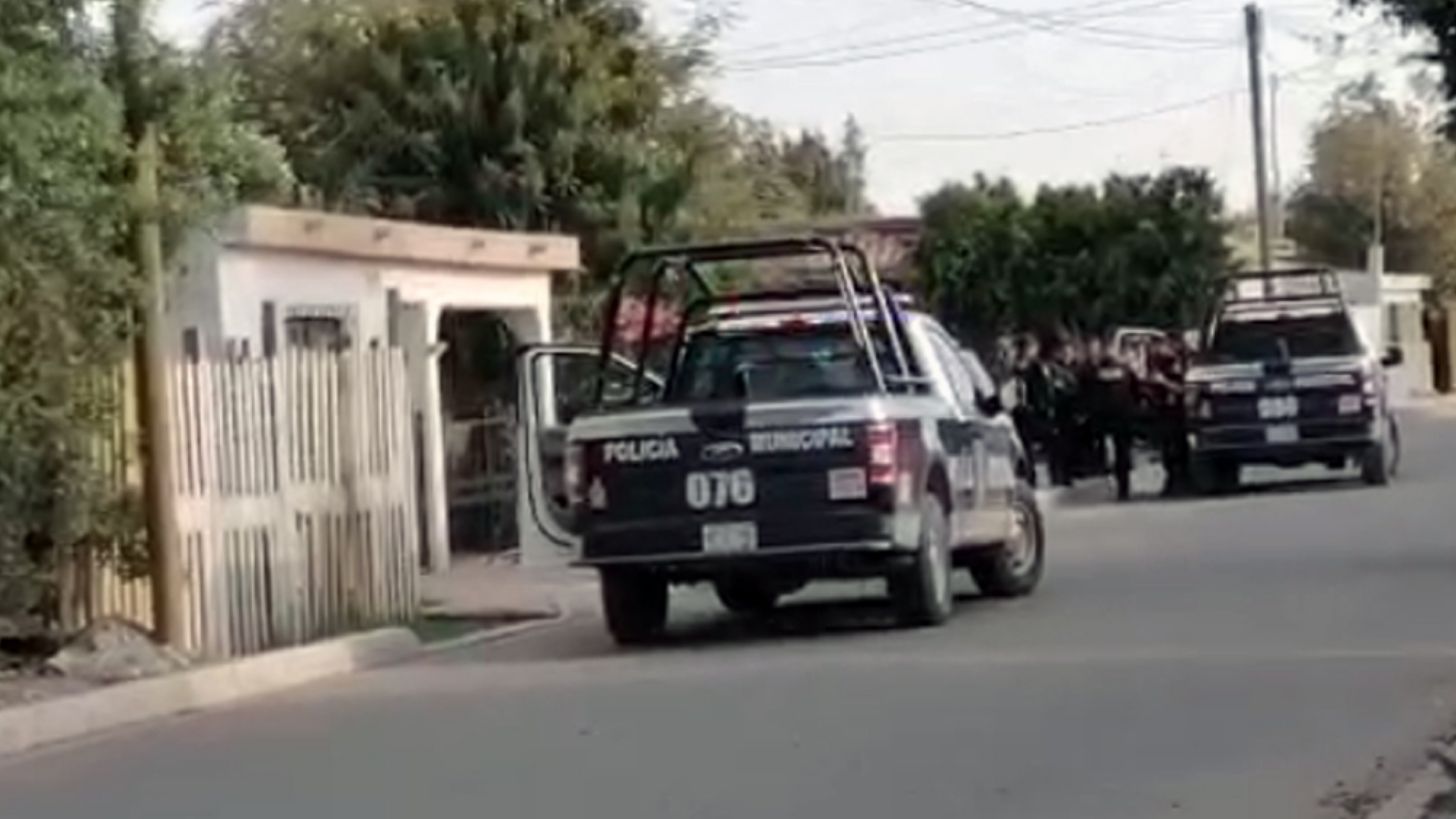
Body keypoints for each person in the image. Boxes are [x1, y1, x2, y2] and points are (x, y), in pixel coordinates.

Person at [1146, 336, 1190, 497]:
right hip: (1163, 411)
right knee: (1167, 448)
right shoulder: (1159, 364)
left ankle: (1182, 481)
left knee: (1178, 448)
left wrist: (1163, 382)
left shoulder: (1182, 364)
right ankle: (1172, 481)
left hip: (1178, 412)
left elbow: (1184, 389)